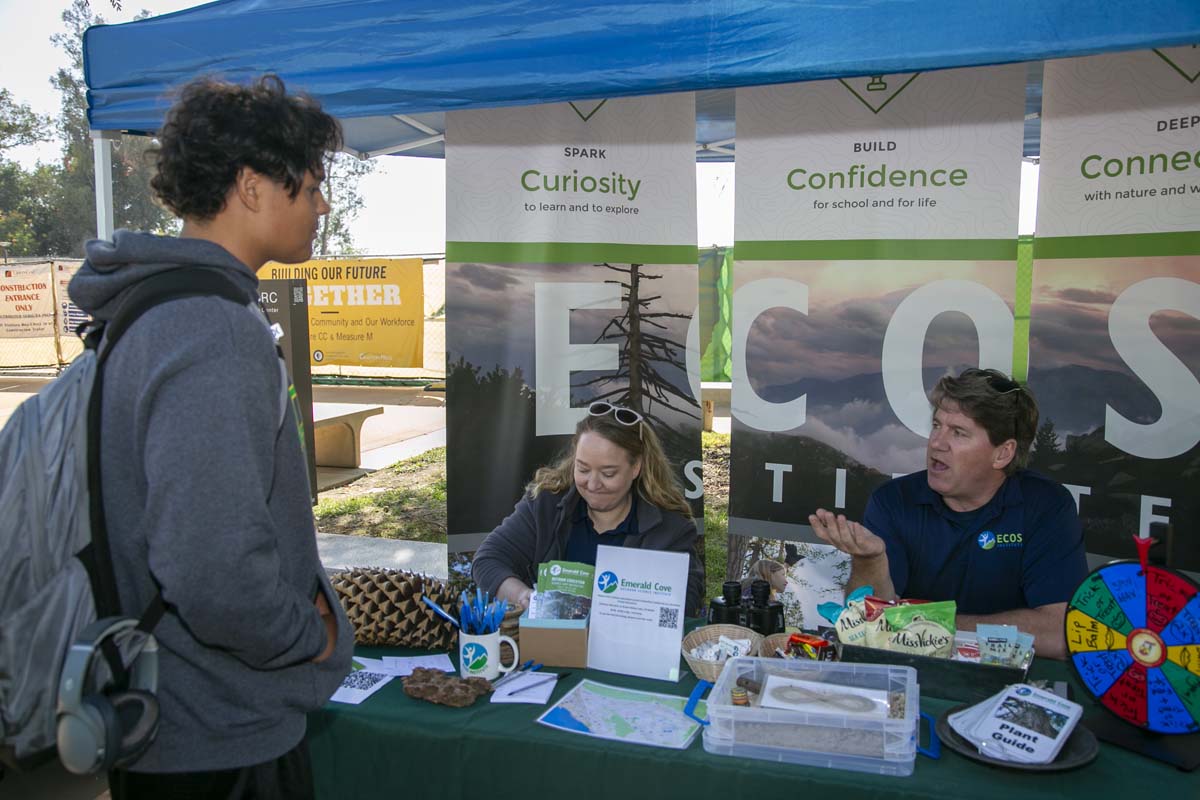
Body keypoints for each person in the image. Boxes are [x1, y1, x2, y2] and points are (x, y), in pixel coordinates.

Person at [69, 75, 353, 798]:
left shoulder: (154, 307)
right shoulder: (212, 329)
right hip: (217, 739)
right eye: (313, 186)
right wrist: (307, 636)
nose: (323, 205)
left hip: (177, 716)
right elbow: (211, 569)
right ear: (254, 187)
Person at [809, 368, 1088, 659]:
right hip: (910, 678)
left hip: (1009, 687)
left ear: (1003, 454)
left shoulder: (1046, 506)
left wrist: (935, 625)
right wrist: (870, 560)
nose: (936, 443)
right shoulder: (893, 501)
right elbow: (871, 626)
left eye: (958, 432)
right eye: (937, 425)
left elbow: (1061, 634)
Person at [472, 402, 704, 615]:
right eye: (582, 469)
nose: (592, 485)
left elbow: (687, 601)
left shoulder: (670, 529)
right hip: (549, 649)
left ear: (636, 468)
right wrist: (528, 599)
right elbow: (488, 560)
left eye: (608, 473)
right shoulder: (545, 505)